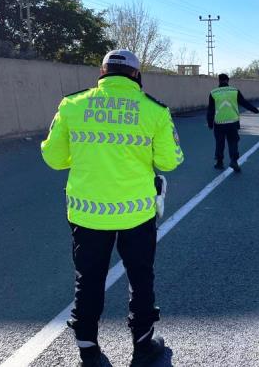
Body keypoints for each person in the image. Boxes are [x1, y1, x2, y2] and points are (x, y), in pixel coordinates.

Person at [41, 49, 184, 367]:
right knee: (140, 277)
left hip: (86, 213)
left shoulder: (72, 105)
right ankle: (144, 345)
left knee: (88, 279)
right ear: (136, 76)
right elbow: (168, 161)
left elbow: (53, 158)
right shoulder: (154, 111)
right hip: (137, 214)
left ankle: (88, 350)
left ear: (102, 73)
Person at [207, 73, 259, 172]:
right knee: (233, 142)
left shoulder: (213, 92)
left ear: (219, 81)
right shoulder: (234, 91)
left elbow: (210, 110)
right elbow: (244, 103)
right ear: (228, 80)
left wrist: (210, 123)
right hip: (232, 122)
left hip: (219, 123)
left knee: (220, 143)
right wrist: (255, 110)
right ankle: (234, 161)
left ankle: (219, 162)